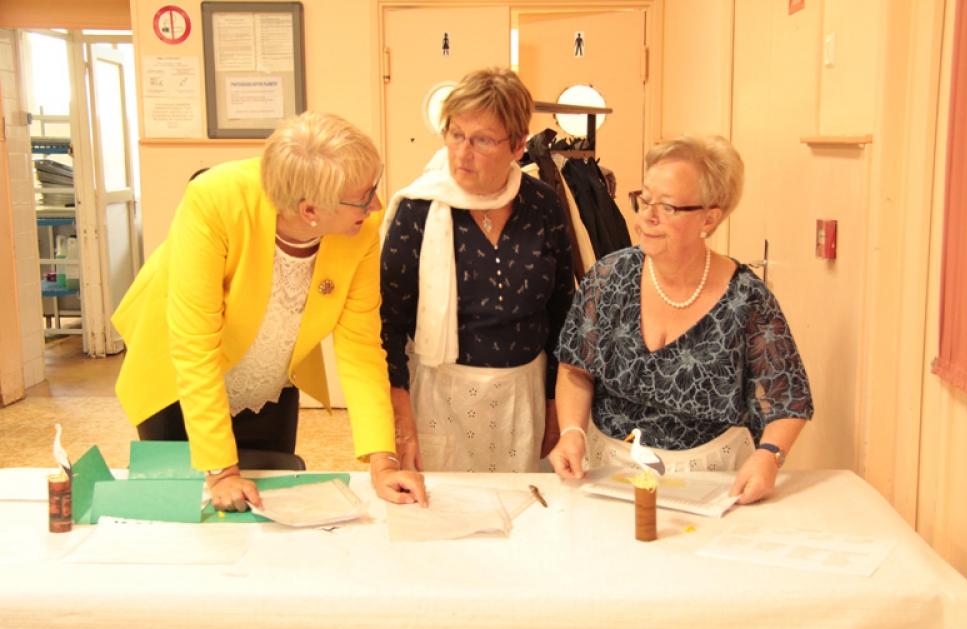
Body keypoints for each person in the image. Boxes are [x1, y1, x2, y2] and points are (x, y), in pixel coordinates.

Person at [112, 111, 427, 511]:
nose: (376, 204)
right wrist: (222, 472)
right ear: (310, 211)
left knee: (268, 504)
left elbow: (361, 348)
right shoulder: (214, 201)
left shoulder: (360, 226)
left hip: (270, 380)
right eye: (365, 196)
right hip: (178, 380)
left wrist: (383, 464)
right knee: (184, 511)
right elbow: (194, 346)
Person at [549, 134, 813, 504]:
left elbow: (790, 400)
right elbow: (575, 369)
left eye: (669, 207)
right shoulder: (609, 278)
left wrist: (770, 456)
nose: (647, 216)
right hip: (608, 467)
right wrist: (572, 432)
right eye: (645, 200)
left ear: (710, 217)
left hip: (711, 474)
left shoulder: (747, 298)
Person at [380, 67, 576, 473]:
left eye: (483, 140)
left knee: (525, 507)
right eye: (456, 134)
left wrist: (556, 405)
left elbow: (563, 313)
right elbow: (389, 322)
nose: (462, 153)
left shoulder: (542, 205)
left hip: (524, 397)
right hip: (439, 397)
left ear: (518, 145)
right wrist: (400, 420)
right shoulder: (418, 209)